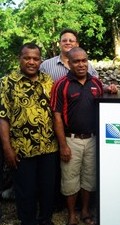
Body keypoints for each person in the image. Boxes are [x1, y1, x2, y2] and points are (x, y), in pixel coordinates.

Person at [0, 42, 58, 225]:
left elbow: (57, 112)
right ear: (20, 59)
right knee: (26, 191)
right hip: (21, 149)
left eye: (35, 58)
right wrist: (7, 149)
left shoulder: (48, 81)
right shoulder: (7, 83)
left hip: (49, 147)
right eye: (27, 58)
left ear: (40, 60)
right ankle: (28, 221)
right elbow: (3, 118)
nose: (31, 62)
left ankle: (46, 220)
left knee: (48, 189)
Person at [50, 47, 103, 225]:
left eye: (84, 60)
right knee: (70, 179)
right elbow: (56, 117)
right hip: (71, 140)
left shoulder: (96, 83)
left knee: (89, 178)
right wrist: (63, 145)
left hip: (93, 140)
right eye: (76, 61)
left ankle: (86, 211)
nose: (81, 64)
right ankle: (72, 214)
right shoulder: (61, 85)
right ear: (69, 63)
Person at [40, 28, 117, 93]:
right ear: (59, 44)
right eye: (64, 41)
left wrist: (108, 88)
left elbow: (96, 85)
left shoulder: (87, 66)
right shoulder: (46, 65)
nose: (67, 43)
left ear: (77, 44)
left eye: (71, 41)